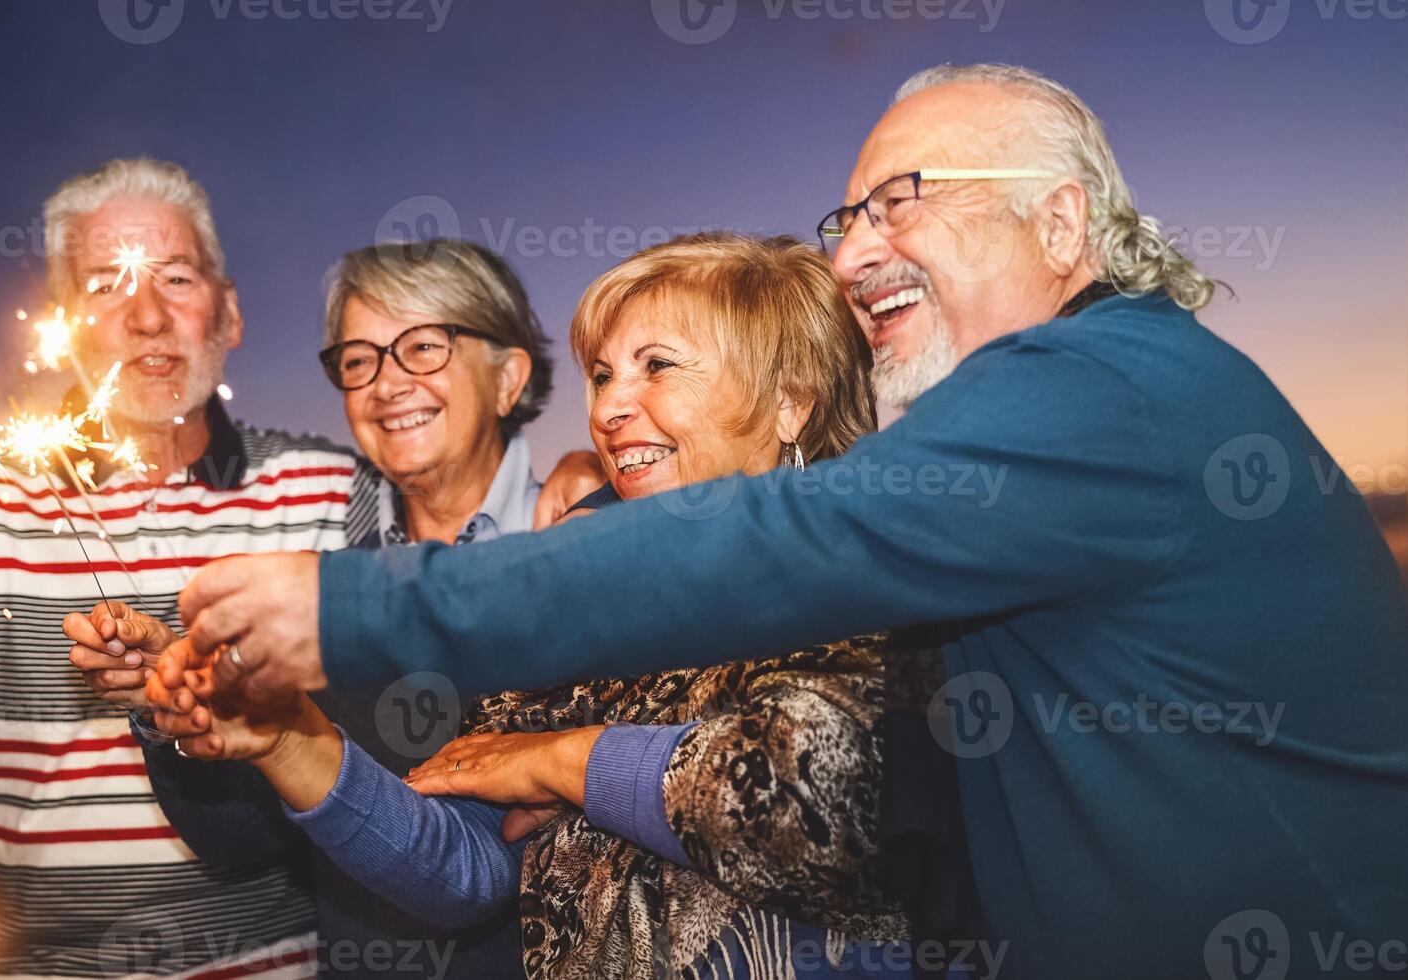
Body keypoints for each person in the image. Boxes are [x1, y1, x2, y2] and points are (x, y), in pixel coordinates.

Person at [163, 65, 1408, 979]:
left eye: (901, 200)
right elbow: (470, 858)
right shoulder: (1015, 474)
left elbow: (811, 729)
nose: (856, 247)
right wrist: (286, 739)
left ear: (1063, 222)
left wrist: (359, 612)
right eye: (848, 216)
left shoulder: (1097, 389)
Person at [0, 160, 599, 978]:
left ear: (228, 313)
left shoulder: (331, 486)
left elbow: (454, 547)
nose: (145, 317)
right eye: (105, 285)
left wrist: (570, 475)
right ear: (62, 319)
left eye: (175, 279)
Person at [142, 233, 961, 979]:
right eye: (604, 376)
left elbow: (808, 806)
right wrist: (290, 739)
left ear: (792, 401)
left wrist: (559, 759)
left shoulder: (868, 570)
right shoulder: (576, 603)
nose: (608, 408)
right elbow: (469, 874)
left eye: (658, 366)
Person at [72, 237, 561, 979]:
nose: (385, 383)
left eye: (422, 347)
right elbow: (240, 839)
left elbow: (493, 865)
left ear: (507, 377)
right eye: (359, 359)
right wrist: (172, 702)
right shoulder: (329, 590)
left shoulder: (586, 550)